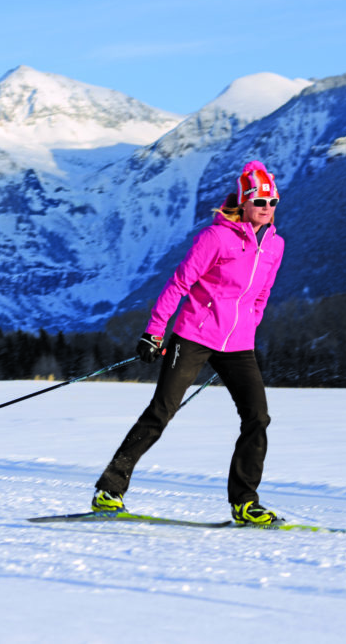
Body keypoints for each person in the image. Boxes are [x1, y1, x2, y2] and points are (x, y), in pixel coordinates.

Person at [92, 160, 286, 526]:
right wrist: (154, 331)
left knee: (257, 417)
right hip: (194, 335)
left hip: (238, 345)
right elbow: (179, 284)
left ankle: (245, 502)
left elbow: (261, 296)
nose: (267, 208)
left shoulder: (275, 246)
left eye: (273, 202)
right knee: (161, 412)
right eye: (260, 201)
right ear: (244, 202)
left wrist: (248, 328)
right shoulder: (217, 238)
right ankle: (109, 491)